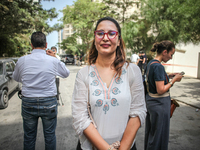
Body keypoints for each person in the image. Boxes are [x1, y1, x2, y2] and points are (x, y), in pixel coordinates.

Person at [72, 17, 146, 150]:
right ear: (95, 40)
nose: (105, 38)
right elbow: (80, 117)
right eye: (100, 33)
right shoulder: (84, 74)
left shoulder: (132, 71)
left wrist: (122, 148)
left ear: (118, 41)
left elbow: (138, 111)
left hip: (126, 146)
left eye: (111, 33)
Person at [12, 31, 70, 150]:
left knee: (29, 137)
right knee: (49, 136)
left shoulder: (22, 60)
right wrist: (54, 57)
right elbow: (66, 73)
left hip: (28, 102)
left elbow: (16, 78)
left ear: (32, 45)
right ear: (46, 44)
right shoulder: (53, 60)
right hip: (49, 102)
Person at [144, 40, 183, 150]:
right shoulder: (159, 67)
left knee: (152, 133)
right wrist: (174, 80)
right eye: (171, 54)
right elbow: (161, 90)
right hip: (159, 105)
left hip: (151, 103)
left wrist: (169, 75)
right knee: (159, 135)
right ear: (165, 52)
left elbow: (154, 79)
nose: (171, 57)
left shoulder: (151, 63)